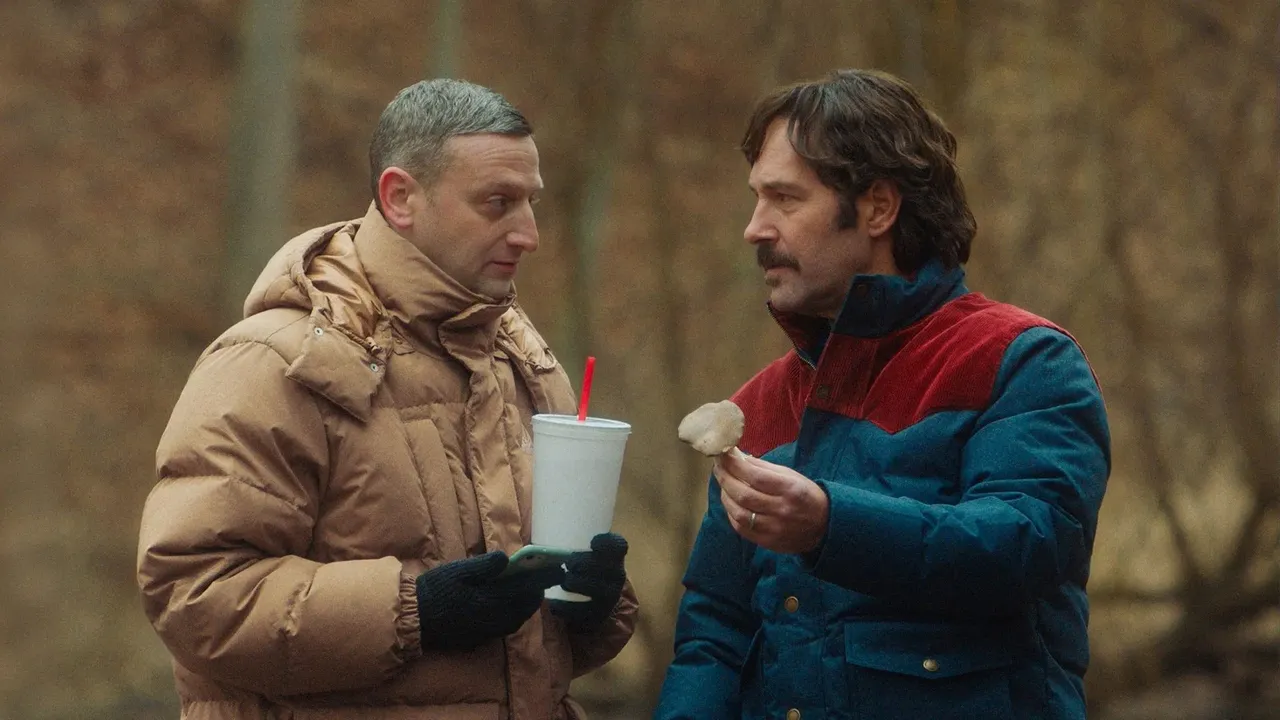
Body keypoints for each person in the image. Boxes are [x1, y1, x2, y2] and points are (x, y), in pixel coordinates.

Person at [137, 79, 637, 720]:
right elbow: (193, 594)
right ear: (401, 198)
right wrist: (415, 611)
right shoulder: (273, 363)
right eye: (498, 203)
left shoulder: (521, 358)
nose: (529, 234)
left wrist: (590, 602)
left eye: (531, 202)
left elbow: (533, 656)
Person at [655, 69, 1109, 720]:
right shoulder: (756, 408)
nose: (755, 228)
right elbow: (714, 639)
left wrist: (830, 524)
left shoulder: (1022, 360)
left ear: (877, 209)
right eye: (756, 199)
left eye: (784, 199)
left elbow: (1027, 545)